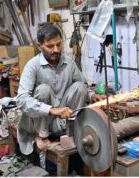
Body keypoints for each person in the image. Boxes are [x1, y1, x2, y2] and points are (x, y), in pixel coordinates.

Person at [16, 23, 104, 155]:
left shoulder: (68, 62)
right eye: (50, 46)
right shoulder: (32, 66)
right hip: (40, 122)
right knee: (43, 90)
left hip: (61, 120)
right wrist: (51, 110)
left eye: (59, 44)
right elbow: (21, 100)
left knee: (80, 87)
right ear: (39, 46)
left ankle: (69, 130)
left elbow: (82, 84)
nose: (56, 49)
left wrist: (91, 95)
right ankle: (42, 136)